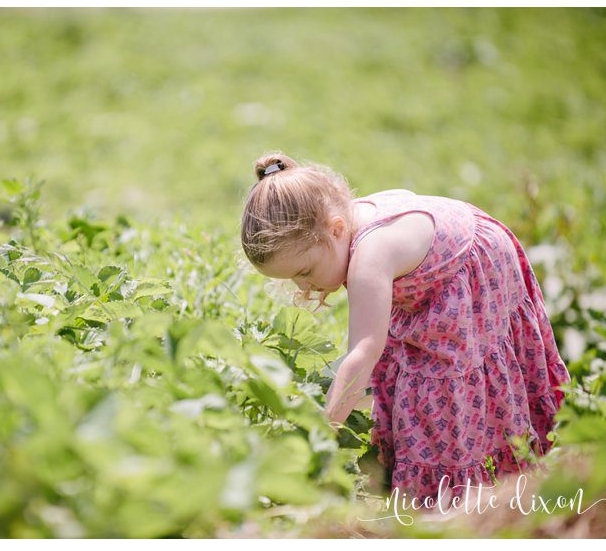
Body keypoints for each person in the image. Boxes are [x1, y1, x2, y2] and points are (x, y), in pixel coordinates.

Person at [240, 152, 570, 498]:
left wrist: (321, 436)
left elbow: (363, 355)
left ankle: (452, 491)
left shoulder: (370, 255)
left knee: (444, 387)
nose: (303, 288)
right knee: (407, 372)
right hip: (451, 261)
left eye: (304, 273)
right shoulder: (341, 220)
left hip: (471, 275)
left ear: (336, 230)